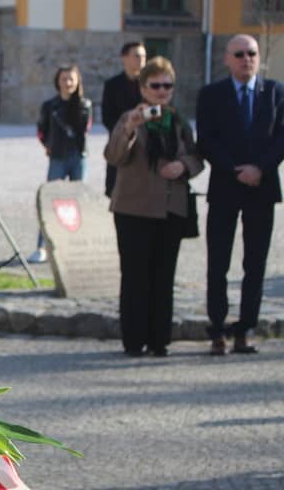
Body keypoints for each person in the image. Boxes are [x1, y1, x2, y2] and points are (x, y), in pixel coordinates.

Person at [104, 56, 203, 357]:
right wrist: (129, 129)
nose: (162, 91)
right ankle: (134, 340)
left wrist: (183, 166)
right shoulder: (130, 117)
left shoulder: (178, 121)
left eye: (167, 86)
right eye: (155, 85)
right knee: (135, 276)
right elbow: (114, 156)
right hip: (134, 209)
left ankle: (160, 340)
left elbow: (197, 157)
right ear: (143, 88)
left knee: (163, 276)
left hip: (170, 209)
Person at [196, 34, 284, 356]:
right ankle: (218, 329)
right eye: (239, 54)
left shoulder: (275, 92)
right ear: (227, 59)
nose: (246, 59)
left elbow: (281, 138)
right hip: (225, 186)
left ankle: (246, 328)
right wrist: (235, 169)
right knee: (218, 261)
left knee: (255, 263)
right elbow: (206, 140)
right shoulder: (211, 95)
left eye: (252, 53)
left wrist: (260, 168)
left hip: (262, 187)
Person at [31, 64, 93, 263]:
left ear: (77, 81)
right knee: (50, 200)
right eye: (64, 79)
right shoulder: (50, 106)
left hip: (78, 157)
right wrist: (48, 146)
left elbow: (86, 129)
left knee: (79, 202)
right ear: (58, 82)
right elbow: (41, 130)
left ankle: (78, 246)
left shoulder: (85, 105)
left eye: (71, 79)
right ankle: (42, 246)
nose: (67, 83)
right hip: (57, 156)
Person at [101, 41, 148, 197]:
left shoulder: (152, 85)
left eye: (144, 56)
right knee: (116, 193)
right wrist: (126, 129)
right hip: (120, 144)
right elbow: (107, 117)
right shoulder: (112, 85)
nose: (141, 60)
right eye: (137, 56)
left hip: (145, 148)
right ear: (124, 58)